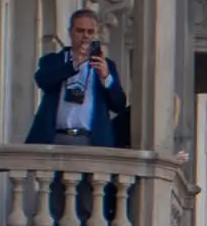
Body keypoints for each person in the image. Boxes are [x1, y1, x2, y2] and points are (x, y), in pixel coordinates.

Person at [26, 8, 132, 147]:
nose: (85, 36)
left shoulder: (107, 65)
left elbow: (119, 105)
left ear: (96, 34)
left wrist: (106, 78)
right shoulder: (54, 60)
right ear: (71, 32)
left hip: (91, 140)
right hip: (54, 137)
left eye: (90, 32)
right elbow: (42, 80)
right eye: (80, 31)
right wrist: (74, 64)